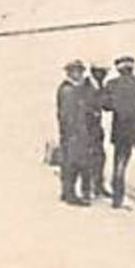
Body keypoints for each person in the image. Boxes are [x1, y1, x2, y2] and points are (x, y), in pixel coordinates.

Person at [102, 56, 135, 208]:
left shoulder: (112, 85)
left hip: (121, 129)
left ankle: (117, 198)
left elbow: (106, 106)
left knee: (120, 163)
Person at [55, 60, 93, 206]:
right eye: (75, 72)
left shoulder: (75, 88)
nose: (78, 74)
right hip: (75, 132)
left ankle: (68, 192)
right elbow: (68, 114)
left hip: (78, 132)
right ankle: (71, 194)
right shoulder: (68, 90)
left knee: (74, 162)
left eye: (80, 71)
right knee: (74, 163)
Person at [85, 64, 109, 198]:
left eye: (104, 72)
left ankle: (98, 186)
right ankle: (89, 188)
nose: (102, 75)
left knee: (100, 157)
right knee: (88, 158)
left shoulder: (101, 86)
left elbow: (105, 105)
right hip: (86, 128)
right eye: (100, 72)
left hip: (96, 128)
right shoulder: (86, 86)